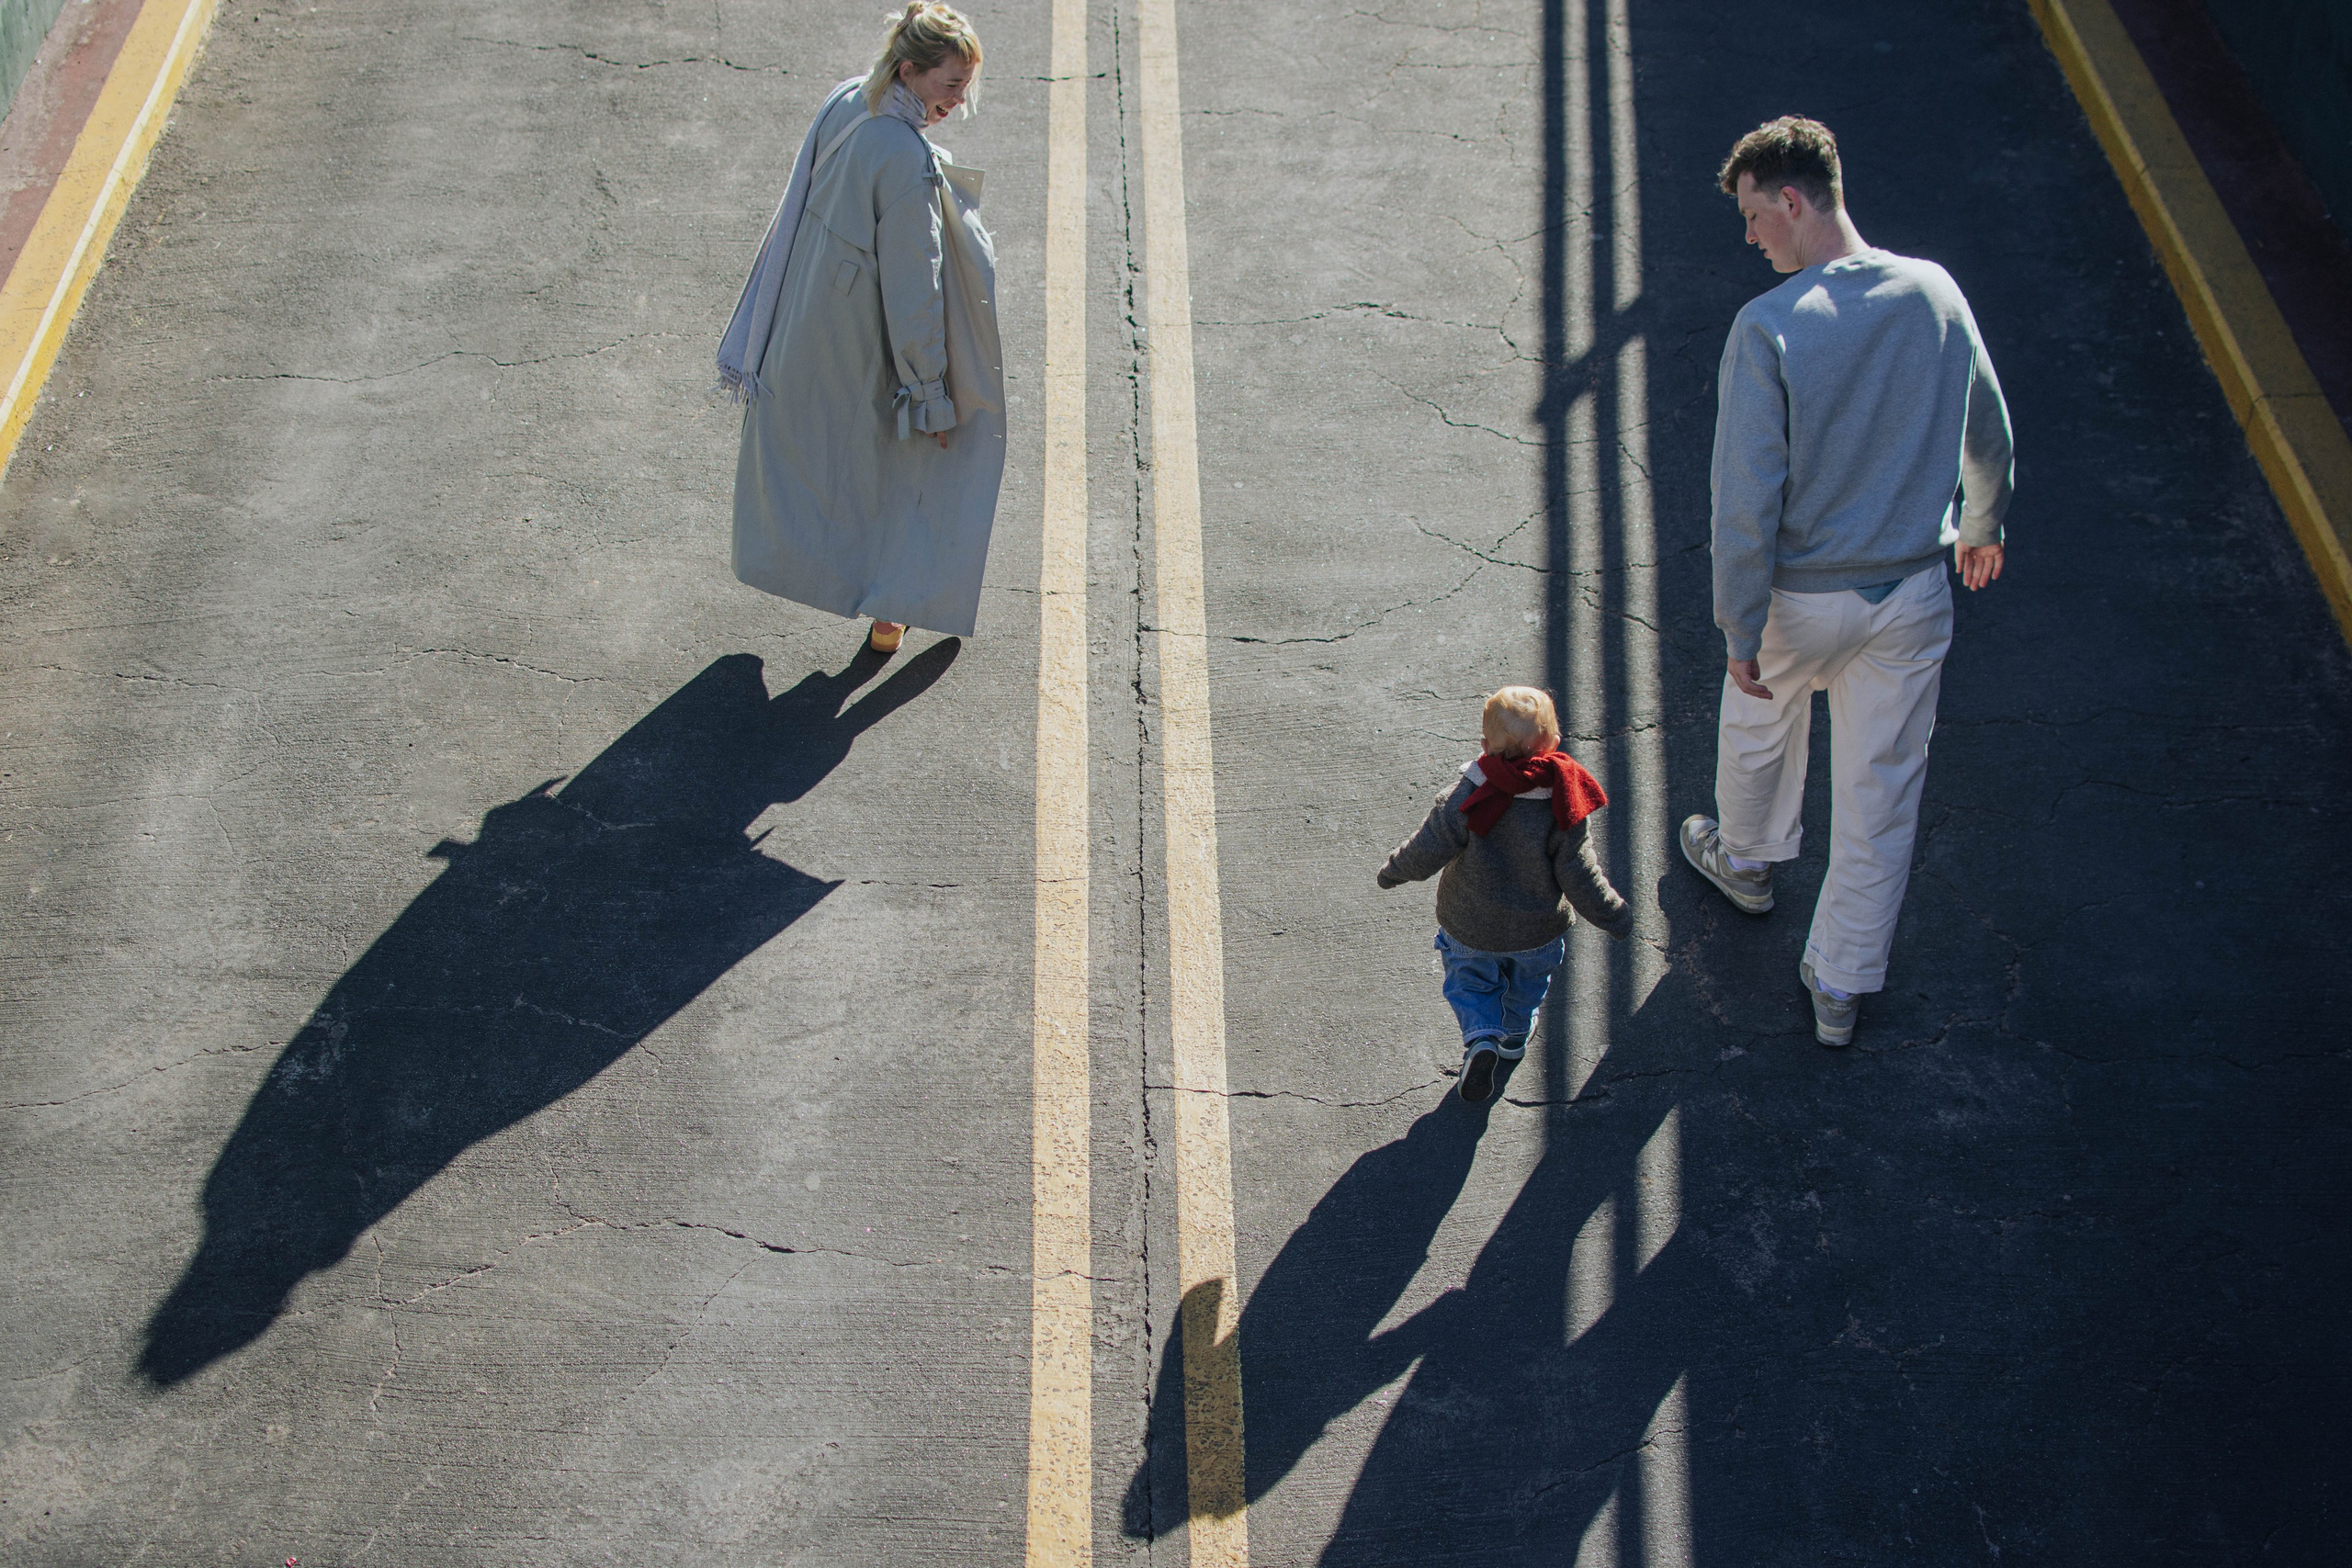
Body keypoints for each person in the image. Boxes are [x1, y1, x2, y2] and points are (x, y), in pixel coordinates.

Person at [1679, 116, 2013, 1047]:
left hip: (1797, 597)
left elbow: (1745, 497)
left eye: (1753, 217)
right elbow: (1985, 423)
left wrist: (1738, 624)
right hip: (1909, 593)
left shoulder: (1768, 328)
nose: (1750, 239)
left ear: (1793, 200)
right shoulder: (1934, 292)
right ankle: (1839, 984)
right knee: (1882, 789)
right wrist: (1981, 522)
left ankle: (1743, 861)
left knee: (1756, 720)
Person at [718, 4, 1005, 656]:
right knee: (906, 466)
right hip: (859, 341)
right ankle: (891, 607)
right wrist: (931, 391)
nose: (959, 102)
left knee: (807, 467)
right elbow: (915, 291)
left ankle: (822, 579)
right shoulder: (904, 160)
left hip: (803, 319)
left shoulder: (850, 100)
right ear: (910, 70)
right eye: (950, 85)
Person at [1378, 687, 1633, 1102]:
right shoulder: (1563, 804)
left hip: (1469, 925)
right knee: (1528, 985)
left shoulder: (1465, 796)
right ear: (1554, 742)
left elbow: (1429, 847)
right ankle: (1514, 1037)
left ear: (1485, 746)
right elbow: (1579, 873)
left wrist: (1393, 871)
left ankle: (1481, 1038)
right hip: (1537, 931)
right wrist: (1613, 914)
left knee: (1470, 982)